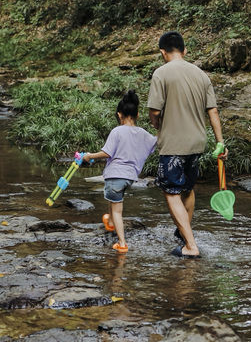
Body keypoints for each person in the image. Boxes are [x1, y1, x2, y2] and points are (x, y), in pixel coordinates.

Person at [147, 30, 226, 259]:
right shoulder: (201, 75)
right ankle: (184, 233)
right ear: (185, 50)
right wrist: (220, 143)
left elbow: (154, 111)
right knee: (187, 189)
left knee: (171, 192)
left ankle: (190, 245)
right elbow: (213, 111)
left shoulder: (161, 74)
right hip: (197, 143)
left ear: (163, 52)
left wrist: (157, 125)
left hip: (173, 143)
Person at [81, 90, 157, 254]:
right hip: (130, 177)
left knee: (117, 209)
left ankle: (122, 243)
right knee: (113, 200)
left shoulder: (117, 131)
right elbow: (157, 142)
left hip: (115, 175)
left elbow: (107, 153)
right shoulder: (143, 133)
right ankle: (109, 222)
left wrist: (89, 156)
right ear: (137, 114)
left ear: (119, 114)